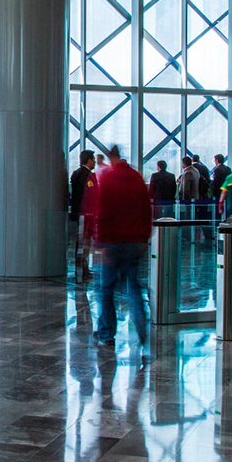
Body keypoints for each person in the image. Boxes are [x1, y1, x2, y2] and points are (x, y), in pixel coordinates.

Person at [91, 146, 150, 364]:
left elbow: (102, 212)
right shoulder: (137, 178)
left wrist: (101, 242)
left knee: (107, 289)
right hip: (135, 243)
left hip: (114, 243)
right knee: (134, 289)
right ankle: (142, 332)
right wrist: (144, 239)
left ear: (110, 158)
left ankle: (106, 334)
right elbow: (147, 210)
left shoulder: (108, 179)